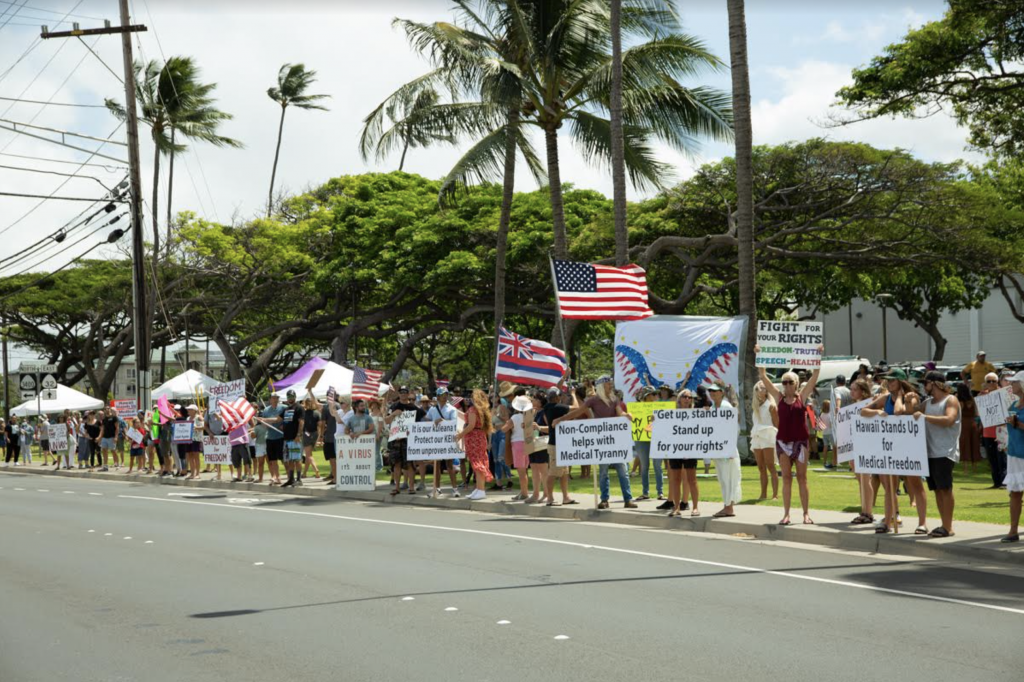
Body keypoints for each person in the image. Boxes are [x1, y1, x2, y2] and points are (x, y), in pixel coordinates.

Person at [757, 346, 823, 525]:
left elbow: (815, 375)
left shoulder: (802, 397)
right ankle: (786, 514)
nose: (786, 385)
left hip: (800, 442)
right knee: (786, 477)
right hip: (783, 443)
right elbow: (763, 375)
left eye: (789, 382)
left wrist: (817, 354)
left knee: (802, 478)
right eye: (784, 382)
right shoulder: (778, 398)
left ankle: (806, 513)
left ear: (796, 384)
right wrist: (760, 353)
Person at [556, 375, 636, 510]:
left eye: (610, 384)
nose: (610, 386)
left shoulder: (614, 399)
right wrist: (562, 419)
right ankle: (604, 499)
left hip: (615, 439)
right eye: (608, 384)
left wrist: (626, 416)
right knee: (603, 471)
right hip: (602, 441)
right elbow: (578, 411)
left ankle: (628, 499)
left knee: (623, 471)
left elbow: (619, 412)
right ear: (601, 386)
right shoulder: (593, 400)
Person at [861, 368, 925, 534]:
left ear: (901, 382)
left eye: (892, 381)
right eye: (887, 381)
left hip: (909, 447)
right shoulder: (886, 397)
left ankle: (922, 523)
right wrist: (877, 411)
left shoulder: (911, 398)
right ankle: (888, 521)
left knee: (915, 485)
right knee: (889, 486)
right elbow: (863, 410)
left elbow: (898, 412)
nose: (888, 383)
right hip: (890, 447)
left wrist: (899, 396)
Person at [911, 370, 961, 537]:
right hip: (930, 451)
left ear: (934, 383)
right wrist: (907, 398)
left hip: (945, 451)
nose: (923, 387)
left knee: (945, 489)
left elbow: (949, 420)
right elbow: (910, 412)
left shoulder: (950, 400)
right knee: (938, 490)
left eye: (925, 383)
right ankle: (943, 525)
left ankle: (948, 527)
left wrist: (924, 417)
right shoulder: (928, 402)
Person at [706, 383, 741, 518]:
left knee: (729, 478)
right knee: (723, 478)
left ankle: (728, 507)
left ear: (721, 392)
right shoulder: (713, 407)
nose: (712, 393)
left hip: (727, 449)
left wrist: (730, 448)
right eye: (710, 390)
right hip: (718, 448)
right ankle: (727, 506)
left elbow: (733, 429)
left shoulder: (726, 407)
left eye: (715, 390)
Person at [385, 386, 425, 496]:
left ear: (408, 394)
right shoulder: (393, 406)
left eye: (405, 392)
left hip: (409, 440)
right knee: (396, 464)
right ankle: (397, 487)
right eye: (401, 392)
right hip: (396, 440)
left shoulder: (414, 408)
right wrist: (393, 414)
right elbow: (386, 420)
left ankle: (411, 487)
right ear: (399, 394)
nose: (403, 394)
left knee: (410, 465)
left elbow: (423, 421)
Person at [666, 389, 700, 517]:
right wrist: (656, 419)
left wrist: (708, 413)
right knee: (675, 479)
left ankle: (695, 507)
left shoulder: (697, 414)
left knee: (692, 479)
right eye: (685, 397)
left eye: (690, 397)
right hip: (675, 449)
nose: (687, 399)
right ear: (679, 399)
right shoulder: (671, 414)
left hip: (690, 449)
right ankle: (676, 507)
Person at [540, 387, 576, 506]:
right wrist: (573, 395)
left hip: (559, 443)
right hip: (556, 444)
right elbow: (576, 408)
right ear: (557, 397)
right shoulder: (558, 408)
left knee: (564, 472)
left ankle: (565, 497)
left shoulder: (547, 407)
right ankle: (550, 498)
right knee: (554, 472)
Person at [455, 389, 493, 500]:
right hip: (480, 436)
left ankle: (481, 490)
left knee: (477, 463)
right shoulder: (482, 410)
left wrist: (460, 435)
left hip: (474, 438)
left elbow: (471, 425)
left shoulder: (472, 409)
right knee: (479, 461)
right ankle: (478, 488)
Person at [1000, 371, 1024, 543]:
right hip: (1015, 454)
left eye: (1015, 382)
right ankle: (1013, 530)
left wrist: (1017, 424)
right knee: (1014, 493)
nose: (1011, 385)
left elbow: (1018, 425)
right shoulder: (1014, 404)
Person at [424, 389, 461, 498]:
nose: (444, 397)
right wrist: (433, 422)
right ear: (438, 397)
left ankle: (455, 489)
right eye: (441, 395)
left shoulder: (452, 409)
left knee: (450, 465)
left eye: (446, 395)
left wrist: (443, 422)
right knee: (436, 465)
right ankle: (436, 488)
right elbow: (426, 421)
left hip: (447, 440)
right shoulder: (432, 409)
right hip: (436, 440)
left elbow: (454, 423)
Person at [633, 386, 664, 501]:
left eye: (655, 394)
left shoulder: (660, 408)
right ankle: (645, 492)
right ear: (646, 396)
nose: (655, 396)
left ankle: (660, 492)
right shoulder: (637, 408)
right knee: (645, 466)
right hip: (641, 439)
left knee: (657, 466)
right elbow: (634, 421)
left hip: (656, 439)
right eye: (652, 394)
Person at [750, 380, 778, 500]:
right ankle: (763, 494)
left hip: (768, 435)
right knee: (761, 467)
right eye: (758, 388)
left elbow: (777, 424)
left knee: (770, 466)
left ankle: (775, 495)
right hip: (757, 436)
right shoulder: (755, 406)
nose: (761, 390)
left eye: (763, 388)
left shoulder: (771, 405)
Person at [504, 390, 534, 501]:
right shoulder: (529, 416)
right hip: (528, 443)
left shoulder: (515, 417)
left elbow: (504, 429)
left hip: (517, 443)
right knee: (525, 470)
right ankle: (523, 491)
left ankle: (524, 493)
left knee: (521, 471)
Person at [978, 372, 1007, 488]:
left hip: (1001, 430)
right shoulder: (982, 396)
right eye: (988, 381)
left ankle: (1004, 482)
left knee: (1002, 457)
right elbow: (978, 412)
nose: (991, 383)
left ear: (997, 382)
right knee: (992, 459)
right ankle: (996, 482)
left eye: (993, 381)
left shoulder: (1003, 393)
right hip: (988, 431)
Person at [490, 383, 514, 491]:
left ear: (498, 397)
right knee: (496, 460)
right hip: (494, 434)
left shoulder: (502, 407)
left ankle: (509, 479)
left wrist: (499, 415)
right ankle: (498, 482)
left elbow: (508, 420)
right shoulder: (491, 410)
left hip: (502, 433)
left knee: (501, 458)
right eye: (490, 397)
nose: (492, 399)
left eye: (494, 396)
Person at [280, 390, 305, 487]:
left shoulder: (299, 408)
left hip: (295, 438)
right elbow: (277, 419)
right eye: (288, 396)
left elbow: (301, 422)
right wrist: (264, 419)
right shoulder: (286, 409)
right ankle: (291, 478)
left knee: (297, 458)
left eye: (291, 396)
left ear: (295, 396)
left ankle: (299, 479)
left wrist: (298, 435)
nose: (290, 398)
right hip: (286, 438)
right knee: (289, 459)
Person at [261, 394, 286, 486]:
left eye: (277, 398)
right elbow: (264, 424)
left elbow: (280, 420)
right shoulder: (266, 410)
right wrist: (263, 422)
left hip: (280, 436)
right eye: (273, 398)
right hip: (270, 437)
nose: (275, 400)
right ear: (270, 399)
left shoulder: (283, 408)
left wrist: (284, 425)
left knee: (283, 459)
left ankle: (289, 476)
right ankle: (277, 477)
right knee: (273, 459)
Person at [956, 383, 981, 474]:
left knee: (965, 445)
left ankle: (965, 470)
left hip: (964, 424)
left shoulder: (960, 401)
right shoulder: (972, 399)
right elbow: (976, 413)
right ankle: (975, 468)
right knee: (974, 444)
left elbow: (958, 413)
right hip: (973, 423)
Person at [300, 395, 322, 480]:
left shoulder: (303, 413)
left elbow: (301, 425)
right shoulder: (317, 413)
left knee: (308, 455)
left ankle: (316, 470)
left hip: (306, 434)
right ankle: (304, 473)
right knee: (309, 454)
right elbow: (319, 426)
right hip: (315, 434)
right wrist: (319, 437)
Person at [319, 393, 339, 485]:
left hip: (330, 436)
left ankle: (335, 478)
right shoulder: (339, 405)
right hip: (339, 435)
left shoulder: (326, 408)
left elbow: (322, 423)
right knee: (338, 458)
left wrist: (321, 435)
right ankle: (337, 476)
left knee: (332, 458)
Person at [819, 400, 834, 469]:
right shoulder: (830, 414)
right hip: (830, 432)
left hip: (824, 433)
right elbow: (831, 424)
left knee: (825, 447)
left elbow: (820, 424)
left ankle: (824, 461)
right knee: (834, 447)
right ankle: (834, 460)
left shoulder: (822, 414)